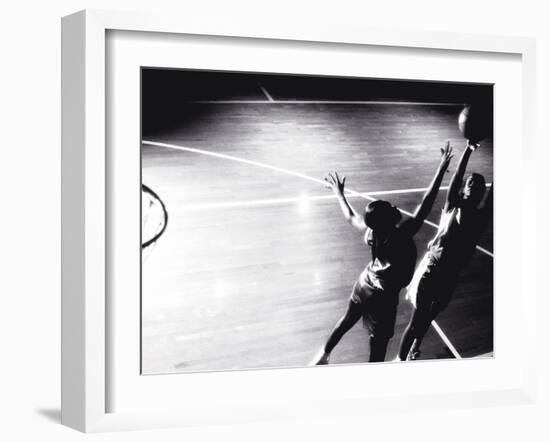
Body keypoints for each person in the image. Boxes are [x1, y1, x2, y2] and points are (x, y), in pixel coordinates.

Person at [312, 143, 454, 364]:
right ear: (388, 220)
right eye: (390, 208)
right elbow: (427, 203)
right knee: (377, 349)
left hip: (365, 283)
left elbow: (351, 217)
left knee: (347, 320)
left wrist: (339, 193)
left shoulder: (372, 232)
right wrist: (440, 169)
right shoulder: (402, 235)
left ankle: (323, 356)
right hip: (383, 299)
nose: (394, 206)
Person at [397, 141, 493, 361]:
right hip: (432, 268)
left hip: (450, 274)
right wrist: (468, 150)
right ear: (464, 187)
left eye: (478, 184)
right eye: (470, 182)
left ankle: (415, 347)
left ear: (481, 192)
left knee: (430, 315)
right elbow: (458, 175)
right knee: (416, 320)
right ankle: (398, 363)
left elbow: (494, 194)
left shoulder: (480, 217)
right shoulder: (453, 204)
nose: (473, 184)